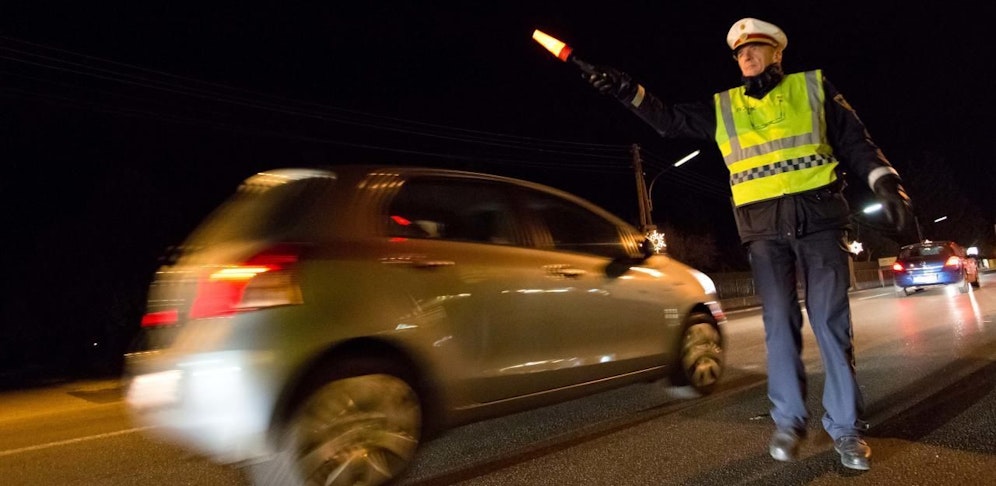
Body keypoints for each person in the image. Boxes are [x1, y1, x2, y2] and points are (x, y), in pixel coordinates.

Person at [584, 17, 913, 471]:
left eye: (755, 48)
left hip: (818, 223)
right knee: (778, 327)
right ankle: (789, 422)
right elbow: (669, 120)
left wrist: (886, 184)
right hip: (762, 232)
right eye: (740, 52)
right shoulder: (725, 107)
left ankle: (847, 430)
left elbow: (857, 142)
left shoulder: (813, 88)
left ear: (778, 52)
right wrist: (626, 90)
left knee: (831, 327)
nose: (747, 56)